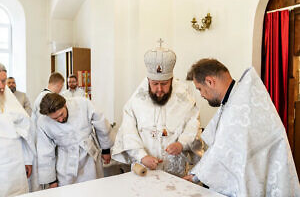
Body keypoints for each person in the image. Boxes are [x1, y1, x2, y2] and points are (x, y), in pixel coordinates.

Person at [184, 58, 300, 196]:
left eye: (200, 89)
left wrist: (197, 176)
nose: (201, 94)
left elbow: (222, 152)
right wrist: (197, 174)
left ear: (210, 81)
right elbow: (220, 148)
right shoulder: (238, 98)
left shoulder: (238, 108)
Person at [112, 43, 200, 176]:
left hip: (174, 171)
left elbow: (193, 124)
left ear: (171, 80)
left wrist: (182, 144)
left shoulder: (184, 99)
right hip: (145, 169)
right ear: (148, 80)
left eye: (164, 84)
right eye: (154, 84)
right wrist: (142, 156)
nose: (159, 89)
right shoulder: (136, 101)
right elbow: (128, 131)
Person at [37, 93, 113, 187]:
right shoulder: (43, 122)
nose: (60, 120)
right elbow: (45, 152)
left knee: (93, 188)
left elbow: (101, 124)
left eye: (61, 114)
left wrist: (106, 150)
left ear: (65, 104)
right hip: (65, 160)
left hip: (88, 155)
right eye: (55, 118)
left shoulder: (82, 104)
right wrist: (51, 180)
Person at [0, 63, 37, 196]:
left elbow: (25, 131)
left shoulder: (10, 98)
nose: (1, 86)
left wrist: (27, 160)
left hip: (15, 162)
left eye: (3, 81)